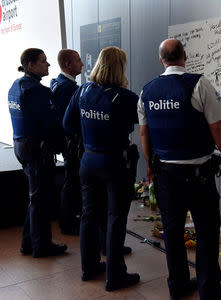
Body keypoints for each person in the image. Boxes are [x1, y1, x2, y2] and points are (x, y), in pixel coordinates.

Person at [138, 39, 221, 300]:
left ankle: (178, 286)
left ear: (161, 60)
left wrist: (149, 165)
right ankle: (209, 291)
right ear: (185, 55)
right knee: (206, 231)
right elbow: (217, 127)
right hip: (198, 176)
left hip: (165, 176)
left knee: (172, 231)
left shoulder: (147, 91)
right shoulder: (199, 84)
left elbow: (144, 132)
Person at [63, 46, 139, 291]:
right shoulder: (125, 97)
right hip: (115, 163)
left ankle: (89, 268)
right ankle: (115, 276)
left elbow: (67, 123)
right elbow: (144, 123)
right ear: (120, 68)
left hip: (88, 161)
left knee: (89, 215)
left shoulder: (83, 91)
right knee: (115, 218)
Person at [8, 48, 67, 258]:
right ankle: (42, 246)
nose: (48, 64)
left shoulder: (16, 86)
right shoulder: (37, 92)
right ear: (31, 65)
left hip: (21, 146)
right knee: (41, 199)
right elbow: (52, 123)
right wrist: (63, 144)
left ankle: (28, 242)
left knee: (36, 197)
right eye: (43, 61)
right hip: (37, 150)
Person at [50, 49, 84, 235]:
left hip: (68, 142)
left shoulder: (58, 83)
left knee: (71, 181)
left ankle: (69, 220)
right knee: (72, 182)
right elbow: (68, 120)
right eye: (78, 61)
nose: (82, 64)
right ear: (68, 65)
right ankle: (69, 222)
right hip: (72, 143)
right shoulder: (68, 89)